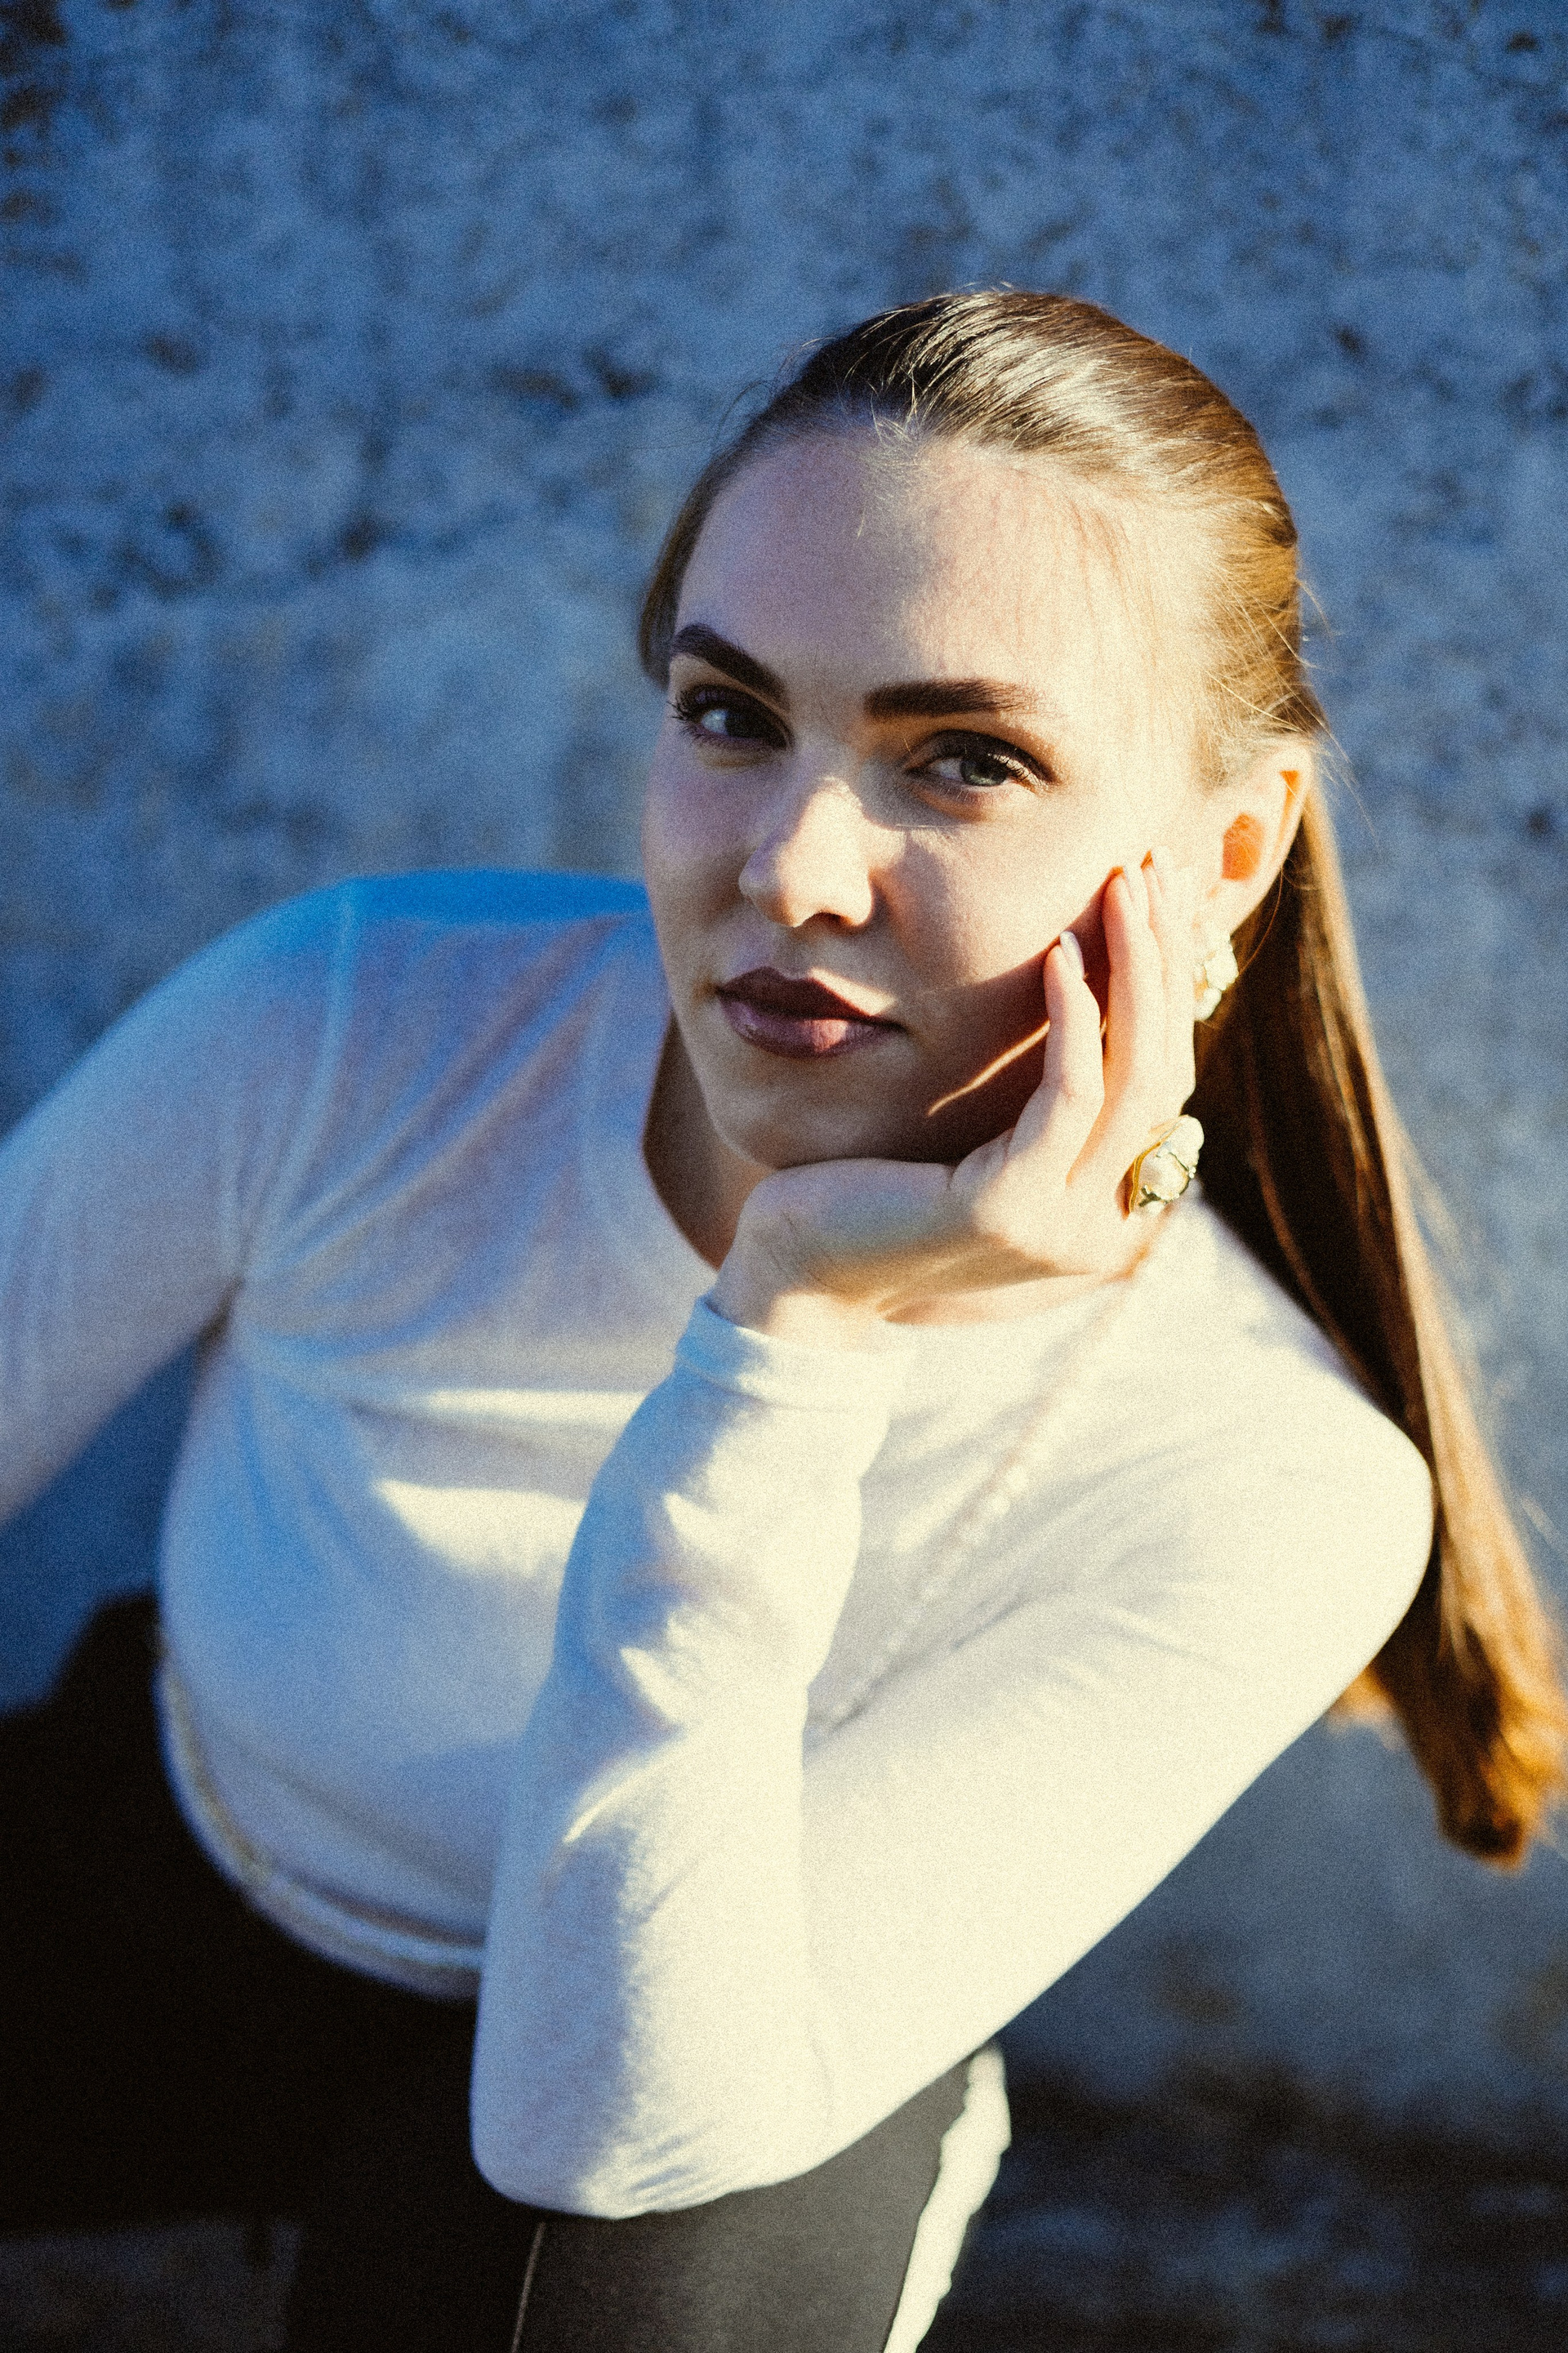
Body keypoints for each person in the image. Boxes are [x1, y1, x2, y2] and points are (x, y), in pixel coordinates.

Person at [2, 290, 1563, 2353]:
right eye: (732, 714)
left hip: (699, 2076)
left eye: (965, 759)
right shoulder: (350, 1023)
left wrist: (795, 1333)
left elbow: (604, 2124)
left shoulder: (1268, 1484)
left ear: (1224, 854)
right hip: (168, 1879)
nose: (798, 868)